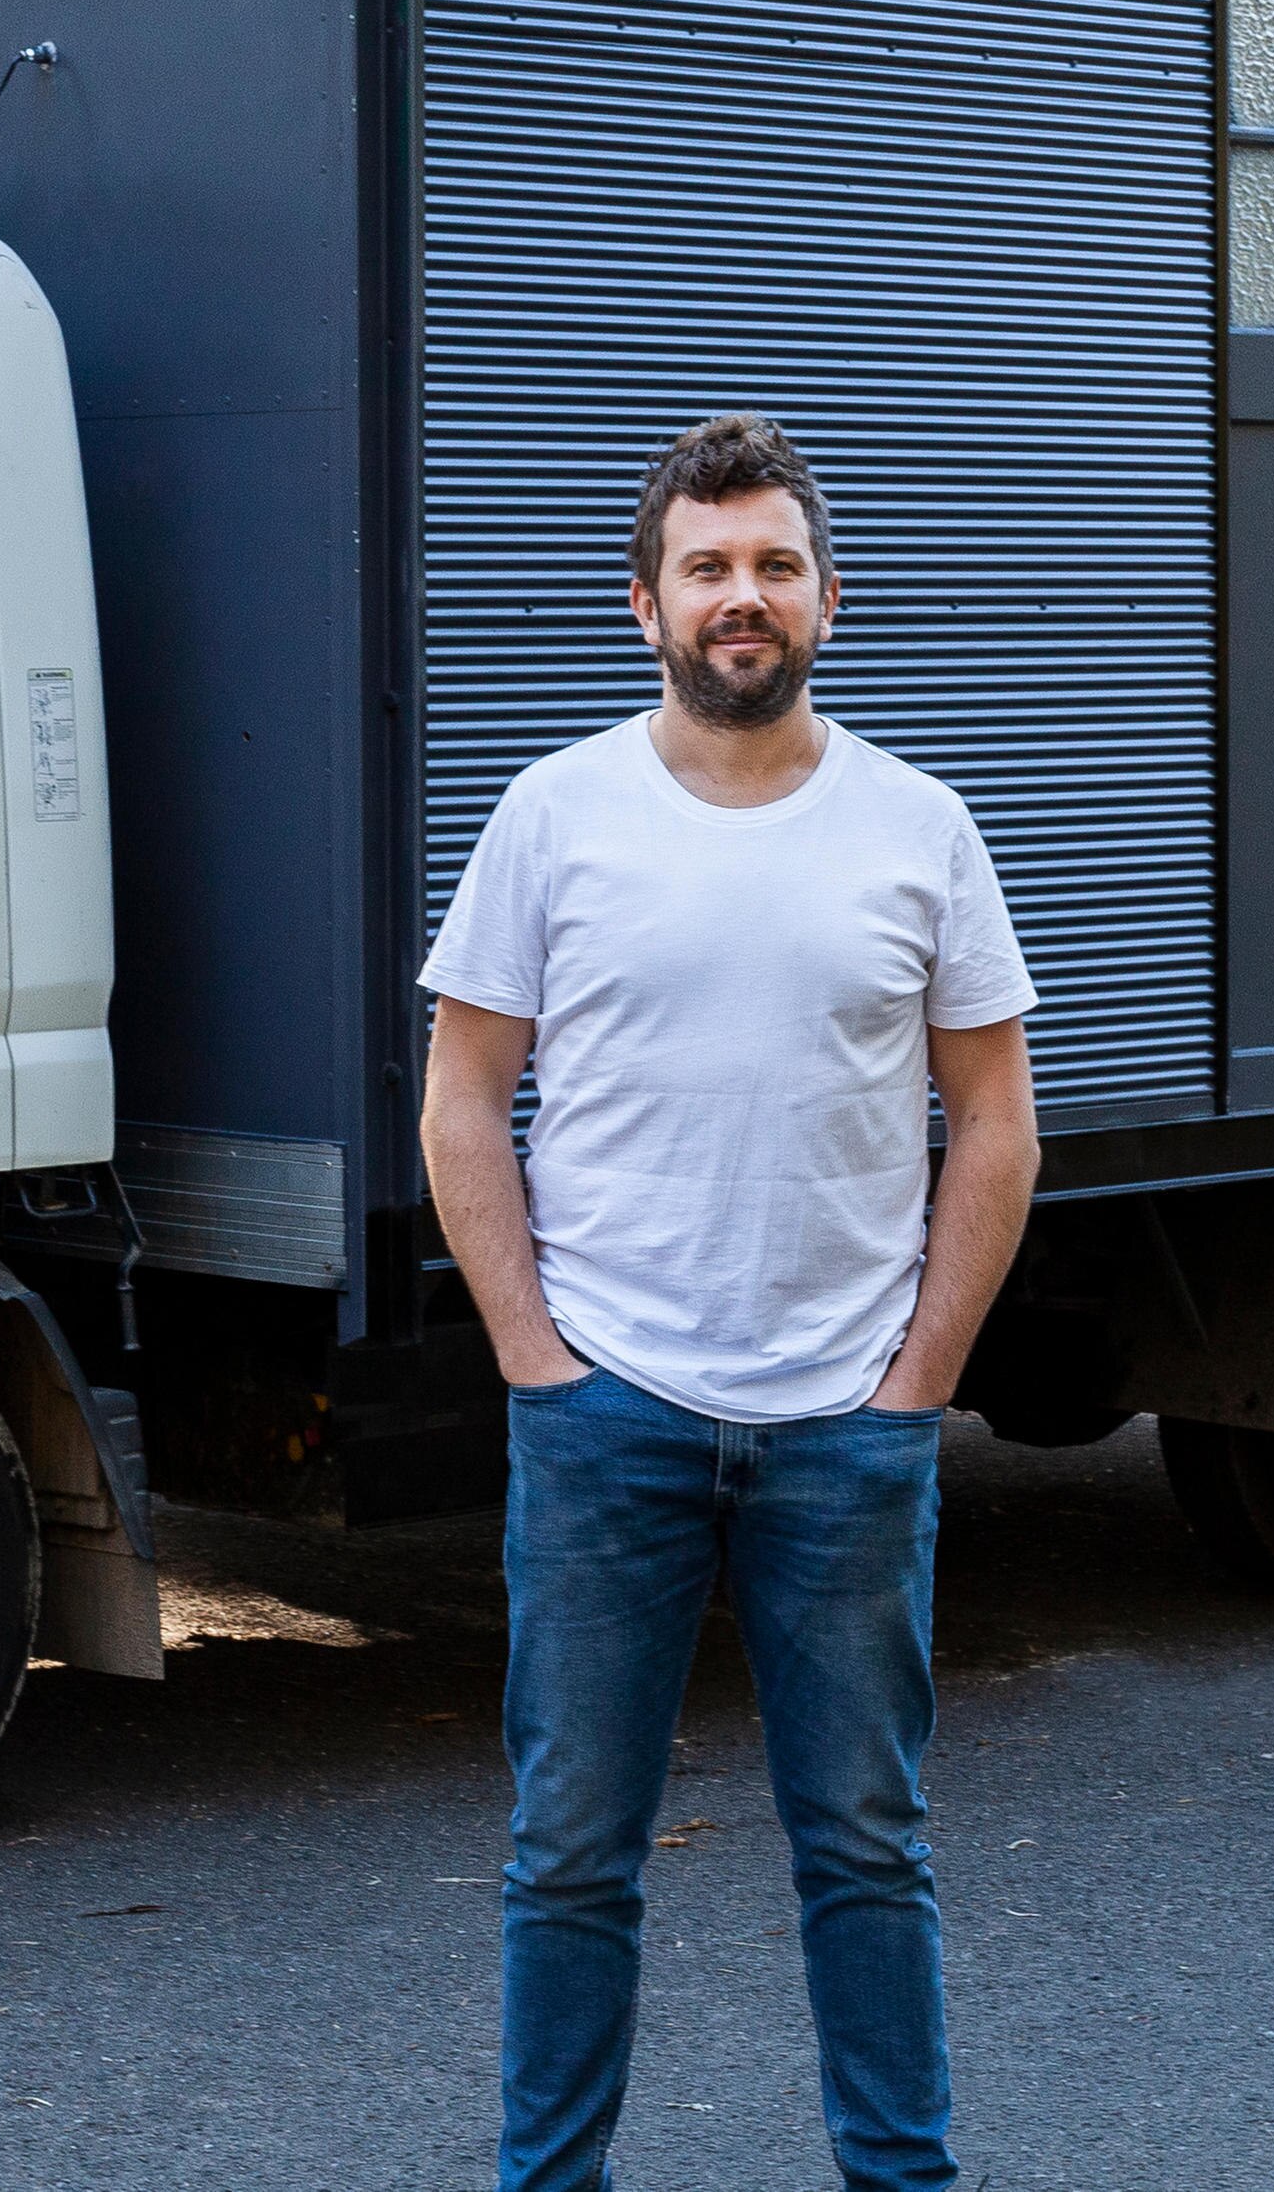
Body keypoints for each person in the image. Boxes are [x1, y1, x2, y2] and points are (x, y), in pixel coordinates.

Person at [418, 411, 1039, 2192]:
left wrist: (916, 1384)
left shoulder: (917, 828)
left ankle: (899, 2182)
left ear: (825, 598)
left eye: (774, 564)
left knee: (865, 1843)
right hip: (607, 1410)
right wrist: (538, 1359)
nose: (741, 597)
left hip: (848, 1426)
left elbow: (996, 1122)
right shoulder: (556, 815)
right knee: (569, 1852)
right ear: (648, 606)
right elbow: (464, 1097)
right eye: (709, 568)